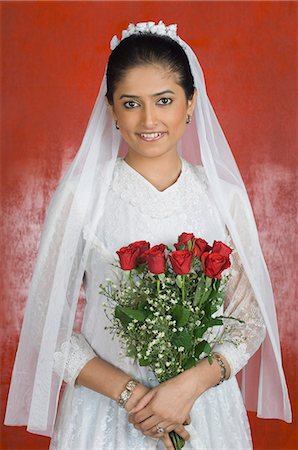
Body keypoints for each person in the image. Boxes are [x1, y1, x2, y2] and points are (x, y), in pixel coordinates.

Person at [4, 21, 291, 450]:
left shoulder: (222, 197)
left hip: (205, 412)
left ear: (191, 103)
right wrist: (135, 397)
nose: (149, 119)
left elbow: (249, 318)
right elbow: (50, 327)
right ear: (111, 109)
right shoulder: (82, 197)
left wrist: (189, 386)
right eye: (131, 103)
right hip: (105, 413)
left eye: (164, 100)